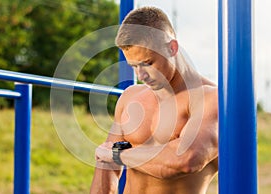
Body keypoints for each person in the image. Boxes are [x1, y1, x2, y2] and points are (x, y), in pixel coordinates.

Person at [90, 6, 218, 194]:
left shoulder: (211, 99)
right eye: (134, 66)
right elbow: (106, 163)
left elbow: (185, 160)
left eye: (147, 63)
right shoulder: (130, 97)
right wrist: (111, 157)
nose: (141, 75)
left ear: (172, 47)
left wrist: (117, 155)